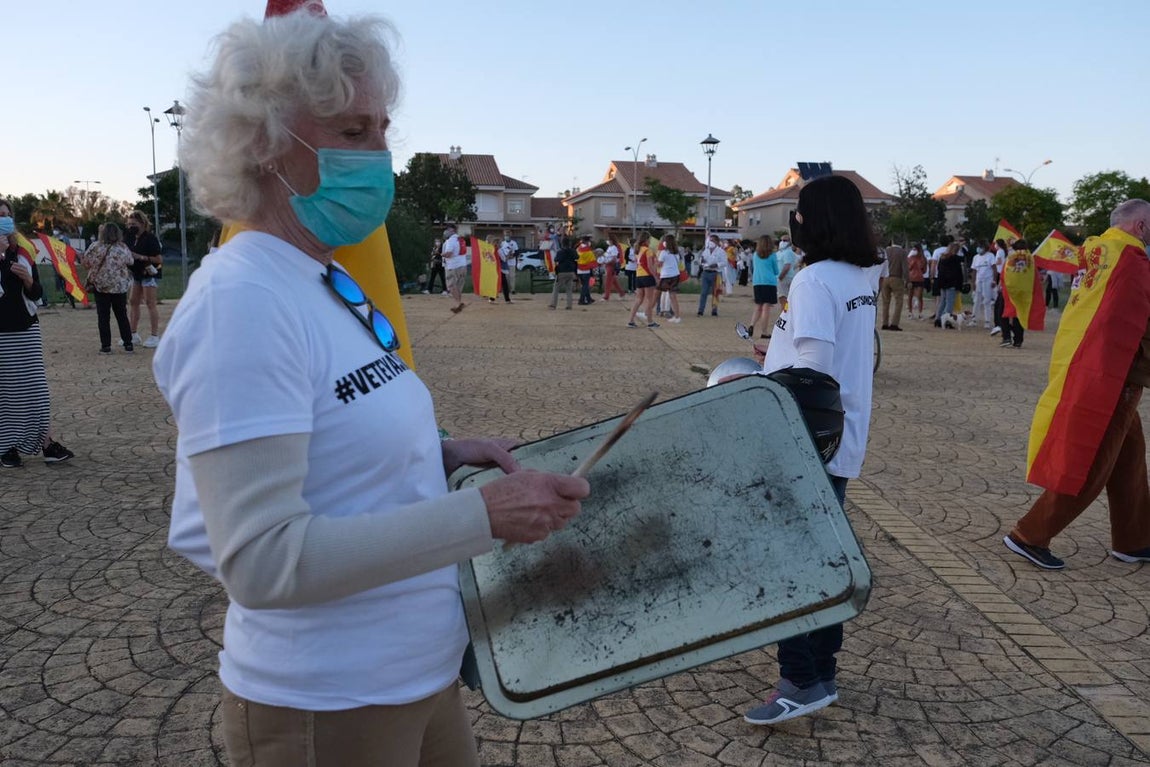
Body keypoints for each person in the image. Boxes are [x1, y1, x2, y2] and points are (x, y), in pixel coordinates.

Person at [155, 7, 589, 765]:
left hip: (417, 674)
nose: (381, 155)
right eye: (354, 133)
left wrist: (444, 451)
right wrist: (480, 515)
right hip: (326, 701)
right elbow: (262, 561)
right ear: (263, 144)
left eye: (384, 129)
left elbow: (329, 432)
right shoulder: (243, 302)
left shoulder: (325, 278)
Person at [741, 174, 879, 726]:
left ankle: (798, 679)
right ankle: (822, 673)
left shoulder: (814, 279)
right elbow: (826, 351)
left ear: (812, 220)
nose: (792, 220)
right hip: (839, 436)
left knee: (792, 564)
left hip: (805, 442)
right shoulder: (859, 274)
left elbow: (813, 371)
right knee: (824, 558)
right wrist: (773, 352)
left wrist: (754, 387)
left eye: (797, 212)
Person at [1004, 200, 1150, 570]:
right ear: (1142, 227)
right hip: (1114, 374)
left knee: (1129, 458)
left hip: (1088, 365)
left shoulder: (1095, 256)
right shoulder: (1133, 263)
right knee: (1094, 459)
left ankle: (1134, 539)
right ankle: (1030, 534)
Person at [0, 199, 74, 468]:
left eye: (6, 216)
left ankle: (47, 444)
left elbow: (37, 293)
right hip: (1, 333)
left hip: (25, 328)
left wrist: (29, 280)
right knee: (6, 391)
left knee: (36, 390)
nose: (3, 221)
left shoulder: (23, 251)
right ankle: (7, 448)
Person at [81, 223, 135, 354]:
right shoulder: (123, 247)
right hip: (119, 287)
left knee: (103, 317)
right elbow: (131, 261)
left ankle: (106, 346)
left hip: (101, 287)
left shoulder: (95, 247)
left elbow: (86, 263)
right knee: (122, 315)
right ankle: (128, 344)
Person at [124, 210, 163, 348]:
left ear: (142, 223)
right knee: (133, 301)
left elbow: (159, 259)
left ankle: (154, 335)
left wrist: (141, 257)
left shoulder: (150, 238)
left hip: (149, 273)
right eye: (129, 224)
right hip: (136, 273)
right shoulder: (130, 238)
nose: (130, 227)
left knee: (150, 302)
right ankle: (133, 334)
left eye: (133, 224)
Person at [997, 239, 1029, 348]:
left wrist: (1000, 285)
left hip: (1009, 290)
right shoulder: (1030, 259)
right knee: (1018, 315)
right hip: (1023, 291)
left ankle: (1006, 337)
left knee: (1003, 313)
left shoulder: (1011, 258)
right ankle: (1018, 340)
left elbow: (1004, 274)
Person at [748, 234, 778, 338]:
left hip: (757, 282)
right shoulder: (772, 255)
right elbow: (776, 270)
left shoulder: (755, 255)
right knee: (766, 308)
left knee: (758, 306)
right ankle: (764, 331)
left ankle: (752, 325)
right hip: (769, 282)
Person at [627, 232, 659, 328]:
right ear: (646, 240)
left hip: (639, 276)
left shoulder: (638, 250)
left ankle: (631, 320)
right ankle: (650, 321)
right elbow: (649, 266)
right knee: (649, 300)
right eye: (649, 239)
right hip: (647, 276)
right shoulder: (648, 250)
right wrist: (655, 276)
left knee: (638, 299)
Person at [655, 233, 683, 323]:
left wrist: (655, 261)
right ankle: (677, 316)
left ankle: (648, 312)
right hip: (675, 275)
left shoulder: (663, 253)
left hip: (666, 275)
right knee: (672, 297)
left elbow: (659, 264)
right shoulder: (676, 253)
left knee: (657, 294)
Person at [935, 243, 964, 328]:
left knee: (942, 301)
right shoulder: (955, 259)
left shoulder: (942, 258)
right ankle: (946, 320)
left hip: (942, 282)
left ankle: (938, 318)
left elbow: (939, 269)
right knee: (950, 302)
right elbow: (959, 272)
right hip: (952, 282)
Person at [879, 241, 907, 331]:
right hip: (897, 278)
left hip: (885, 278)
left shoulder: (886, 251)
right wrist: (907, 279)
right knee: (899, 302)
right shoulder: (902, 252)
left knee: (885, 302)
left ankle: (885, 323)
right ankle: (894, 323)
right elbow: (905, 267)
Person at [696, 234, 724, 316]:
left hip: (715, 273)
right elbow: (702, 259)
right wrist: (702, 262)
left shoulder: (721, 251)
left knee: (715, 293)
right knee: (703, 292)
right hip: (706, 272)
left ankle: (714, 310)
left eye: (712, 240)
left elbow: (724, 262)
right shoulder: (706, 250)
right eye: (710, 240)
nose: (710, 242)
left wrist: (716, 265)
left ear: (717, 242)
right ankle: (701, 310)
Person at [548, 236, 578, 310]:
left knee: (556, 288)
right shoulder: (573, 251)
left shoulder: (560, 252)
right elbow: (577, 257)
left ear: (562, 243)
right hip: (571, 271)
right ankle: (569, 305)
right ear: (569, 243)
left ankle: (553, 304)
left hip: (561, 271)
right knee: (569, 290)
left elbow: (556, 259)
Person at [970, 244, 996, 329]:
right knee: (976, 300)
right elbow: (974, 270)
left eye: (981, 247)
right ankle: (974, 319)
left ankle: (987, 321)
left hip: (988, 280)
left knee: (987, 300)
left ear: (985, 248)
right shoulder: (976, 257)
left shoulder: (990, 256)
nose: (979, 249)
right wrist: (973, 282)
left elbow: (994, 268)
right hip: (979, 281)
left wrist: (994, 280)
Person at [599, 233, 626, 301]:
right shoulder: (609, 247)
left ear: (611, 240)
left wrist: (606, 262)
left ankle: (606, 296)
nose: (607, 241)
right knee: (613, 281)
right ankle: (621, 293)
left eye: (608, 239)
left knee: (608, 282)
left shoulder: (614, 248)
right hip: (608, 265)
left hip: (611, 266)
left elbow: (614, 259)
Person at [776, 236, 798, 311]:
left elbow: (787, 266)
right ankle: (787, 312)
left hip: (785, 278)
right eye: (781, 240)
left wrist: (780, 278)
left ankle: (786, 313)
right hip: (787, 277)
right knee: (786, 299)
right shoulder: (780, 252)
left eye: (785, 240)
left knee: (783, 299)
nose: (782, 242)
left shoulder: (788, 252)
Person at [575, 235, 596, 305]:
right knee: (585, 286)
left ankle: (589, 299)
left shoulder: (578, 249)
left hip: (579, 270)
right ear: (587, 242)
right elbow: (592, 260)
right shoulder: (588, 251)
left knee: (584, 285)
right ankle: (581, 300)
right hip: (586, 270)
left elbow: (576, 258)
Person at [497, 230, 517, 302]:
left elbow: (516, 252)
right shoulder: (502, 244)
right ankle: (504, 291)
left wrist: (511, 256)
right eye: (505, 235)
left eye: (508, 235)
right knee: (505, 278)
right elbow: (503, 256)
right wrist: (507, 256)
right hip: (504, 262)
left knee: (512, 276)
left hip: (511, 262)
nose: (507, 236)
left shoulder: (514, 243)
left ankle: (512, 289)